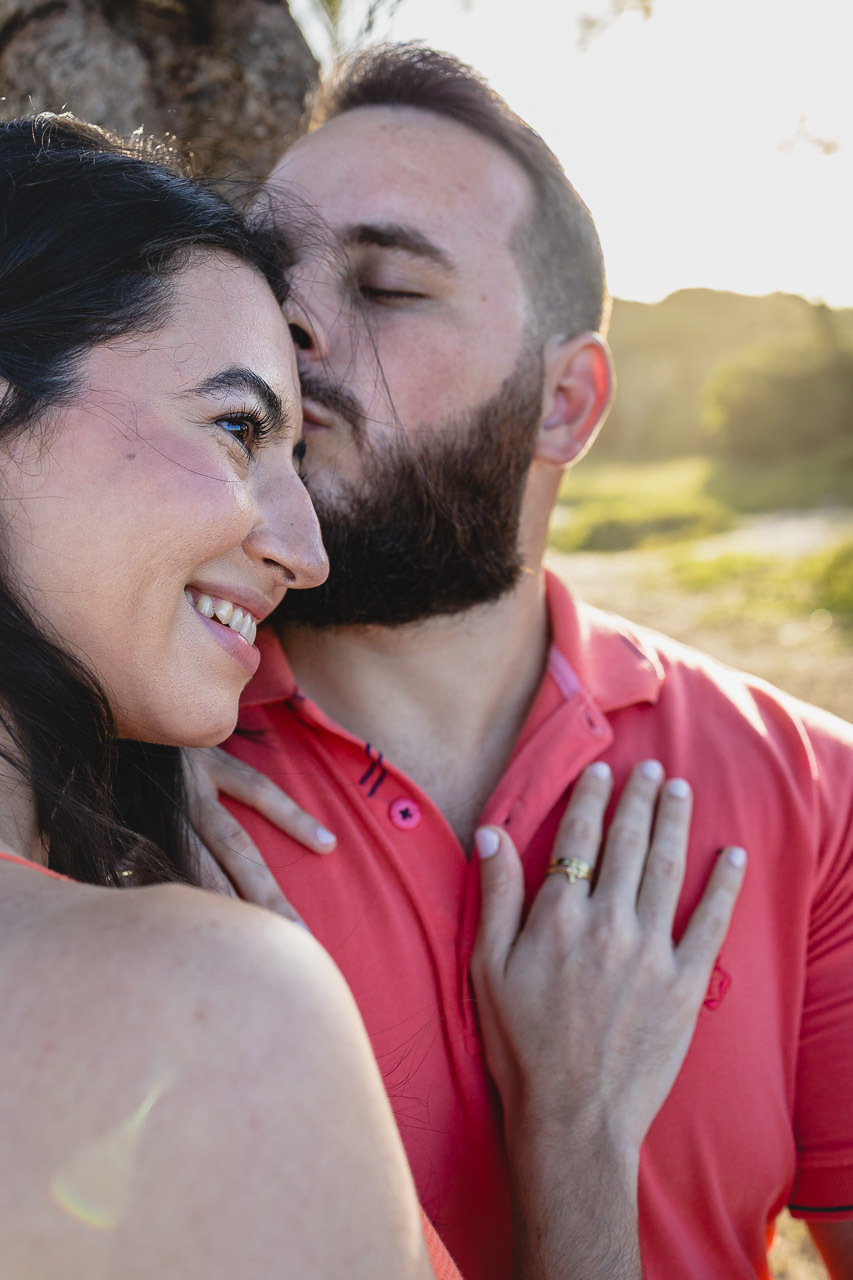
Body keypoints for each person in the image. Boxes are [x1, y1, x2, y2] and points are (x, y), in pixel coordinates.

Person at [0, 111, 744, 1280]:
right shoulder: (221, 993)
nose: (307, 550)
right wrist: (578, 1135)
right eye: (239, 425)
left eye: (391, 287)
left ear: (569, 398)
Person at [198, 44, 853, 1280]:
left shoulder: (818, 801)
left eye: (387, 286)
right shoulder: (121, 780)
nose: (284, 320)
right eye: (268, 271)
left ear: (565, 402)